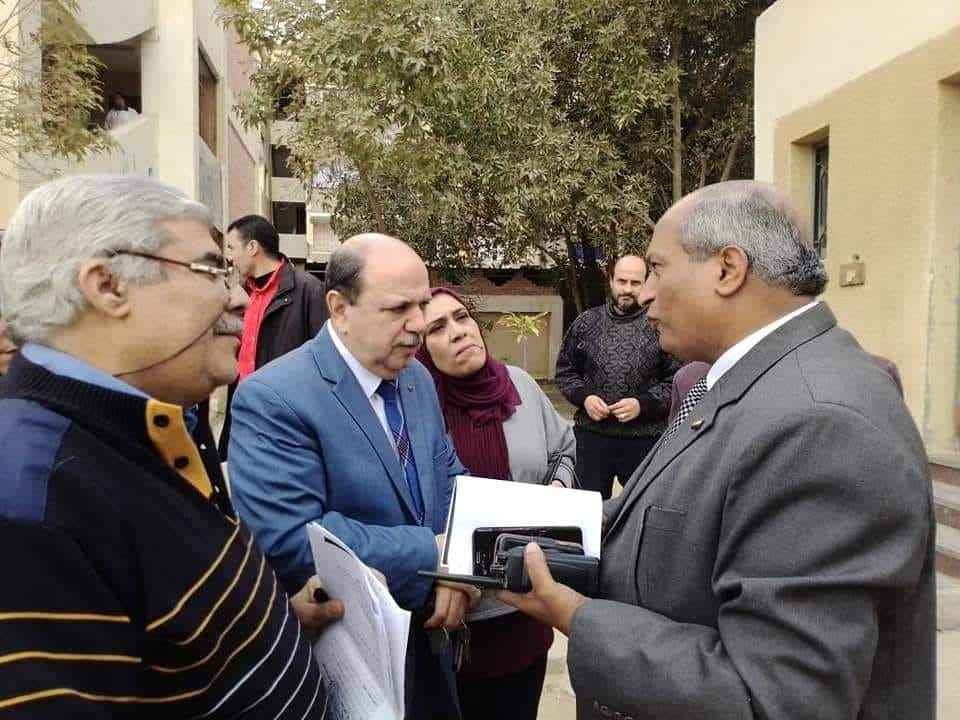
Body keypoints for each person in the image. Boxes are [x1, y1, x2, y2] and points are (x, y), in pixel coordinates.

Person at [500, 181, 935, 720]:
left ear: (727, 269)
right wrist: (521, 531)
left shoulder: (820, 422)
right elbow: (670, 514)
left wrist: (577, 618)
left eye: (657, 269)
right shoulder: (742, 380)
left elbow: (773, 697)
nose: (646, 292)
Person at [0, 175, 344, 718]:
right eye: (212, 270)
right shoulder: (27, 500)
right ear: (108, 286)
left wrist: (270, 622)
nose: (237, 296)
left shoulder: (153, 421)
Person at [228, 234, 479, 719]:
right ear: (340, 309)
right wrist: (435, 555)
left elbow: (451, 480)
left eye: (421, 304)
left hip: (432, 651)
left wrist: (460, 569)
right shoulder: (273, 397)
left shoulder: (417, 379)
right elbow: (295, 538)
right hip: (345, 668)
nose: (418, 324)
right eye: (398, 308)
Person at [418, 287, 576, 720]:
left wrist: (556, 490)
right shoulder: (418, 411)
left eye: (462, 317)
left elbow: (563, 447)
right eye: (437, 328)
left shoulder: (519, 385)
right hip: (458, 619)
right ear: (420, 348)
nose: (458, 332)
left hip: (528, 605)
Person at [555, 255, 681, 499]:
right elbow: (565, 371)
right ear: (611, 281)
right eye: (622, 281)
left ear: (647, 283)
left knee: (642, 507)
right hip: (591, 438)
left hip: (645, 439)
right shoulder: (585, 323)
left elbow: (677, 380)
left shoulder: (661, 325)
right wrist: (585, 398)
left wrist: (643, 404)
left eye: (635, 283)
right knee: (585, 510)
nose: (627, 289)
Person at [219, 214, 327, 458]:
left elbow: (325, 358)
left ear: (252, 247)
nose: (229, 257)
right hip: (242, 412)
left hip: (285, 421)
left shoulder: (308, 290)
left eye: (231, 247)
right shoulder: (241, 294)